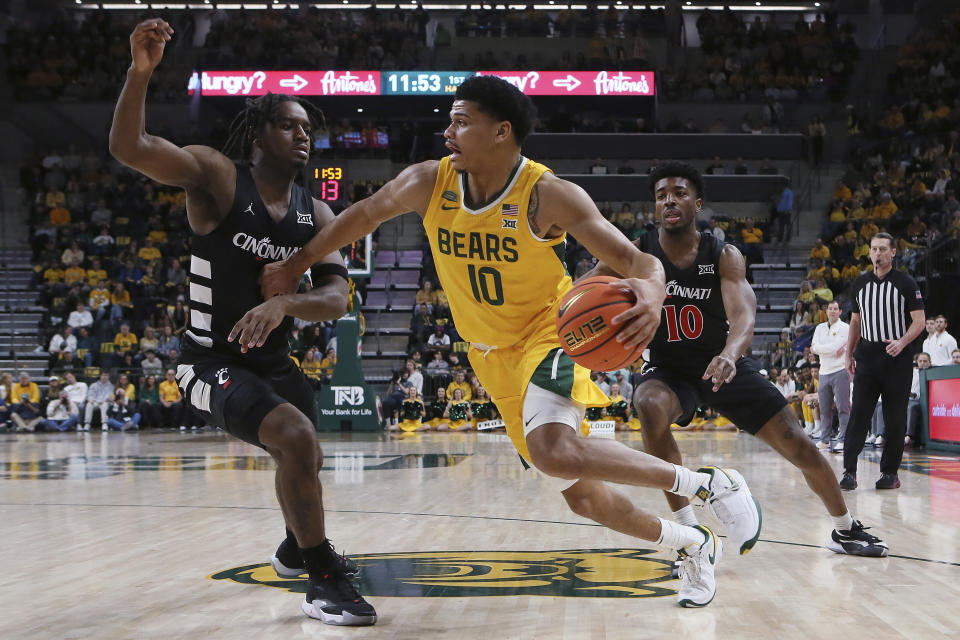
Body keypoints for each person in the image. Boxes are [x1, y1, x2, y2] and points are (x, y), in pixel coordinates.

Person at [252, 75, 764, 608]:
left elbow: (639, 261)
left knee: (553, 449)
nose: (447, 130)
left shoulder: (547, 194)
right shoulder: (428, 182)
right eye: (449, 119)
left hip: (551, 332)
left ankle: (711, 485)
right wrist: (298, 263)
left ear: (501, 132)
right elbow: (361, 216)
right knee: (584, 498)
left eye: (460, 120)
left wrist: (655, 293)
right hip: (488, 355)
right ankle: (693, 542)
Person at [108, 18, 372, 625]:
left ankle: (290, 547)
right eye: (288, 124)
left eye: (308, 128)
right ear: (258, 132)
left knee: (304, 455)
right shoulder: (218, 177)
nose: (302, 135)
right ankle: (322, 578)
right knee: (298, 440)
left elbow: (336, 300)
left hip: (274, 363)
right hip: (208, 361)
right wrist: (140, 73)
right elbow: (129, 149)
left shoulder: (317, 212)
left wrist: (286, 303)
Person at [585, 162, 890, 569]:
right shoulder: (636, 253)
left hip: (721, 363)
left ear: (698, 203)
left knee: (798, 442)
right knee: (649, 404)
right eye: (661, 195)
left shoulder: (722, 253)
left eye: (678, 193)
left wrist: (730, 354)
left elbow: (744, 314)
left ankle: (844, 526)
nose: (669, 201)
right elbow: (583, 291)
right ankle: (690, 536)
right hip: (669, 370)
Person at [842, 233, 926, 490]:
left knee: (895, 417)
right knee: (859, 414)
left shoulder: (906, 282)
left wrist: (902, 342)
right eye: (873, 249)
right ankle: (849, 471)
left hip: (896, 358)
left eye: (882, 249)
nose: (877, 254)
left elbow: (920, 321)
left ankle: (889, 473)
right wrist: (848, 353)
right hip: (867, 356)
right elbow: (856, 321)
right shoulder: (860, 284)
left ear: (893, 253)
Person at [811, 300, 850, 453]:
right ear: (826, 311)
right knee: (825, 409)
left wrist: (820, 349)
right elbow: (814, 348)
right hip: (823, 372)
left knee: (843, 407)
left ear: (840, 311)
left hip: (840, 371)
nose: (832, 311)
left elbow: (834, 347)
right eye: (830, 309)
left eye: (835, 309)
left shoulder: (844, 327)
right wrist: (829, 350)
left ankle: (843, 439)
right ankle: (825, 440)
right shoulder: (819, 328)